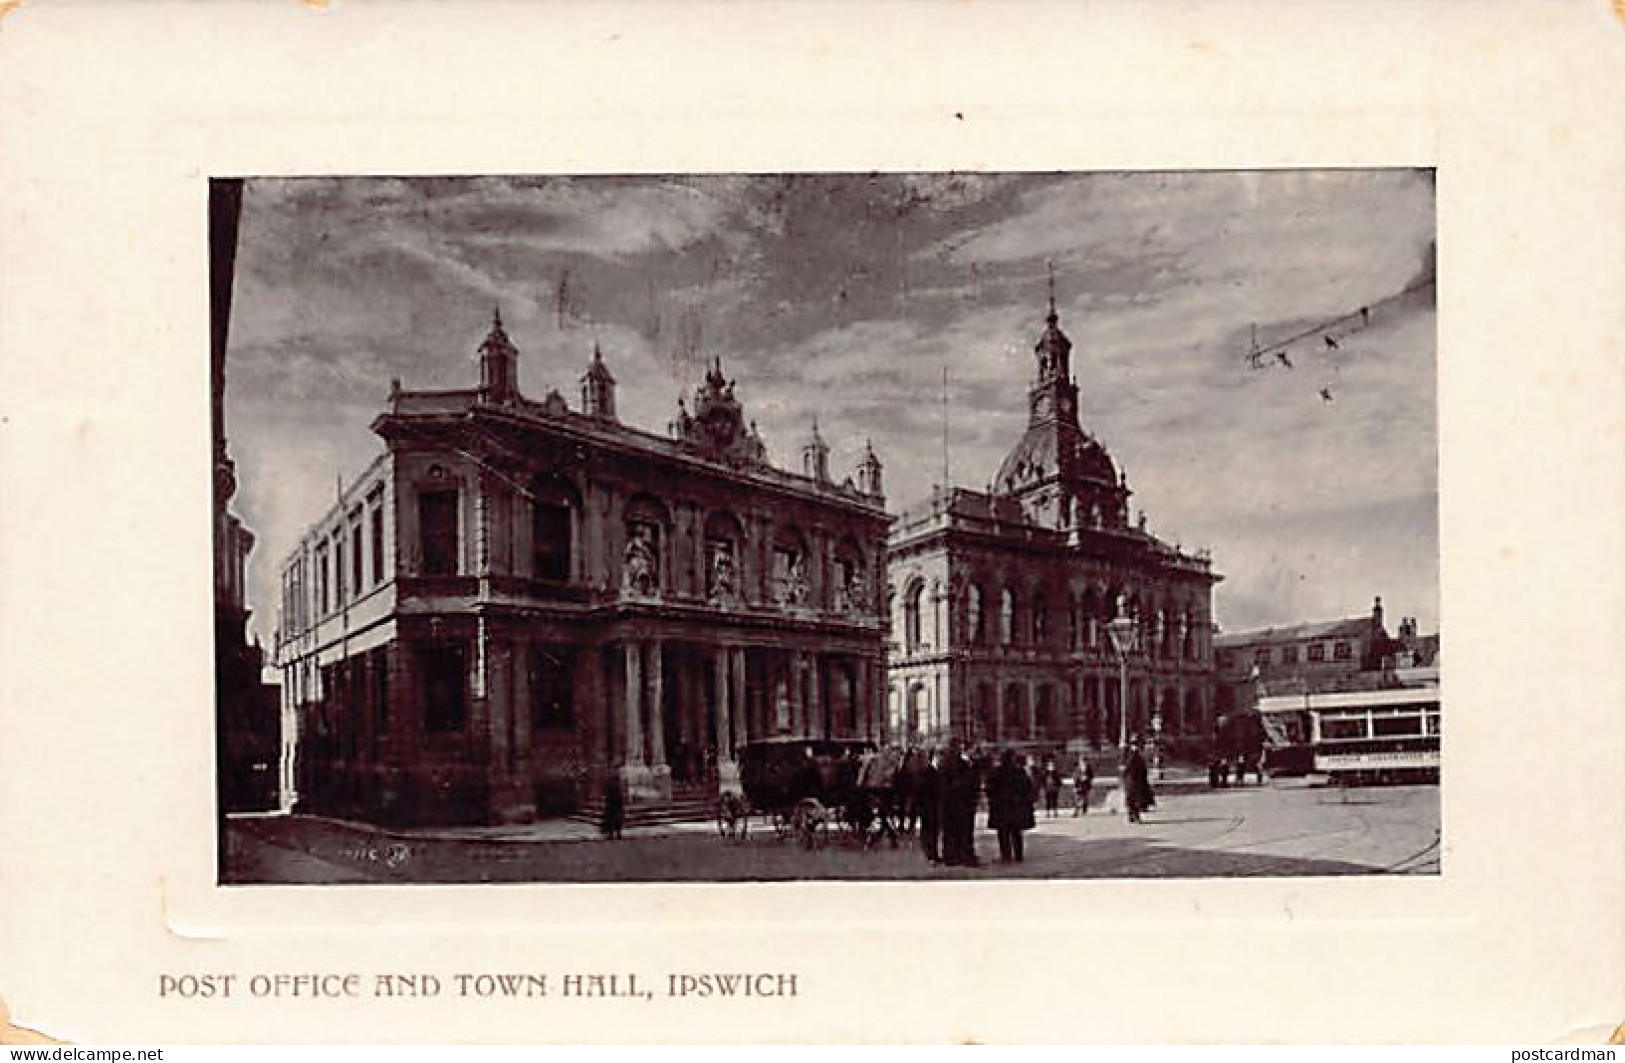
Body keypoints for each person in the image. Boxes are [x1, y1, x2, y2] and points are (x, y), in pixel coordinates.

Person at [987, 750, 1037, 862]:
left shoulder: (997, 772)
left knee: (1003, 833)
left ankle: (1006, 855)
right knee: (1016, 832)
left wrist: (994, 799)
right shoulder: (1019, 772)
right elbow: (1027, 788)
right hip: (1016, 807)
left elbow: (990, 788)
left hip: (1001, 807)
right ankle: (1018, 855)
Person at [938, 741, 981, 867]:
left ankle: (959, 855)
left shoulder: (969, 763)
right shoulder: (954, 763)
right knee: (957, 830)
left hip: (964, 802)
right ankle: (957, 856)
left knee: (963, 830)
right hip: (956, 803)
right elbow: (953, 783)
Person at [918, 749, 943, 864]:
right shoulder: (929, 771)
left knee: (933, 830)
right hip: (928, 805)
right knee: (930, 830)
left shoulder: (932, 771)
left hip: (932, 805)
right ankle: (931, 855)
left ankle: (933, 854)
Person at [1123, 741, 1152, 824]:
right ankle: (1134, 816)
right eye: (1135, 745)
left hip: (1135, 781)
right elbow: (1128, 767)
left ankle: (1133, 816)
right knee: (1133, 799)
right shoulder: (1131, 755)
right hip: (1132, 780)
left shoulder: (1136, 755)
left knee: (1133, 799)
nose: (1136, 747)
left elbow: (1142, 768)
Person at [600, 771, 625, 840]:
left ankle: (611, 835)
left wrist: (607, 803)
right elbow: (620, 796)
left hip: (611, 806)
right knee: (617, 821)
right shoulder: (618, 785)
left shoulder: (610, 785)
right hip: (617, 806)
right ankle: (618, 834)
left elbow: (608, 795)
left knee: (611, 821)